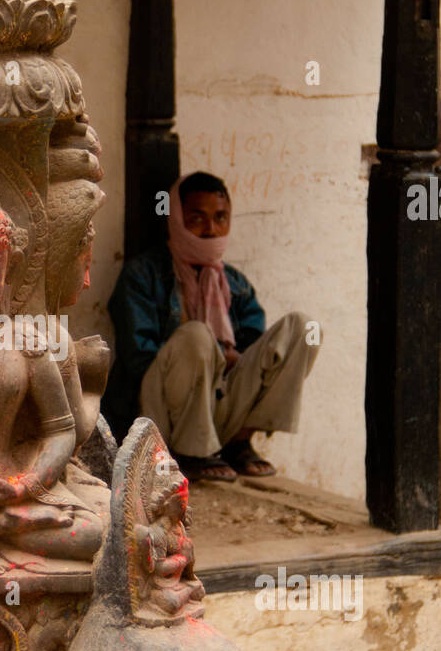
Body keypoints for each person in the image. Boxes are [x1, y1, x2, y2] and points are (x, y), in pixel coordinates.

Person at [102, 171, 320, 482]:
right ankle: (190, 452)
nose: (210, 229)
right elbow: (138, 358)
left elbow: (254, 355)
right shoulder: (142, 274)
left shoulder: (234, 282)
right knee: (195, 335)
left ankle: (238, 441)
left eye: (220, 218)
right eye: (197, 218)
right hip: (158, 411)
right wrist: (210, 353)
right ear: (175, 218)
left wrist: (226, 362)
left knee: (304, 329)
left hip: (218, 404)